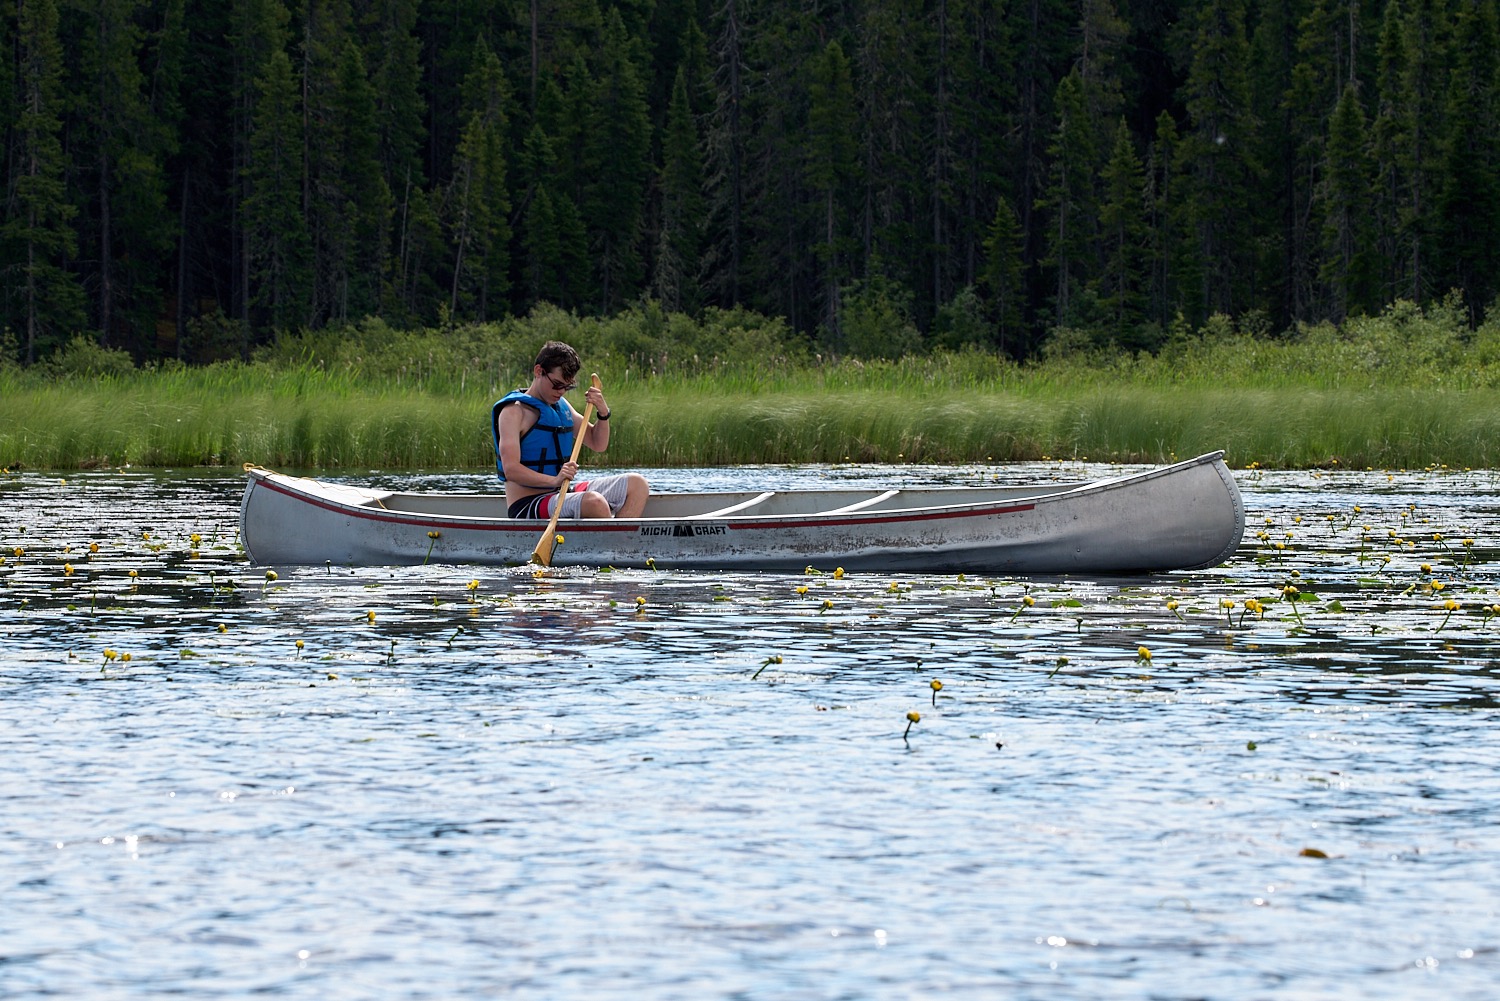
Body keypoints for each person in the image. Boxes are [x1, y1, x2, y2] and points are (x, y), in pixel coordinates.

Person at [492, 340, 649, 520]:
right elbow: (511, 470)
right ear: (538, 371)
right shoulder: (513, 412)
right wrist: (555, 480)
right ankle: (612, 545)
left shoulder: (560, 407)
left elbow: (598, 443)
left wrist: (603, 412)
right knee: (594, 502)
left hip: (562, 492)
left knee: (637, 484)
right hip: (527, 505)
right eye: (557, 384)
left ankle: (620, 546)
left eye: (567, 387)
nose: (561, 392)